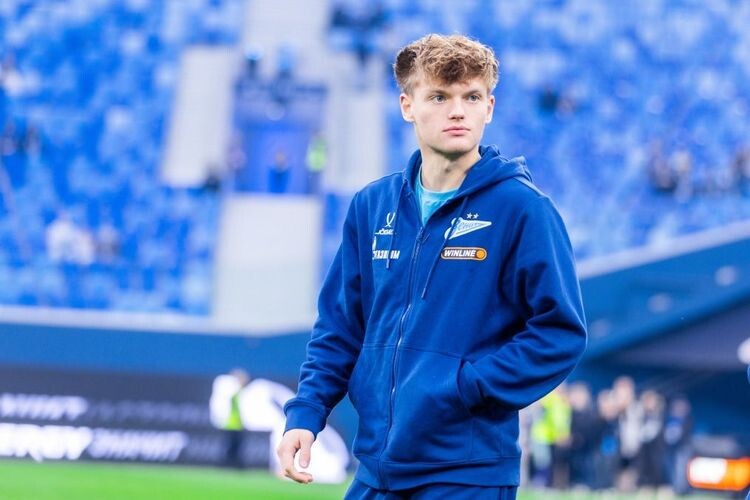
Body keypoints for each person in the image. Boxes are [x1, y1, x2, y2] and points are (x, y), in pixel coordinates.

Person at [277, 34, 587, 499]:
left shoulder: (523, 210)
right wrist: (306, 412)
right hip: (376, 469)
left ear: (489, 108)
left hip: (466, 474)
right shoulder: (372, 206)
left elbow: (560, 333)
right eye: (439, 97)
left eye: (472, 97)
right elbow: (340, 327)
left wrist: (466, 387)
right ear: (408, 106)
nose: (457, 111)